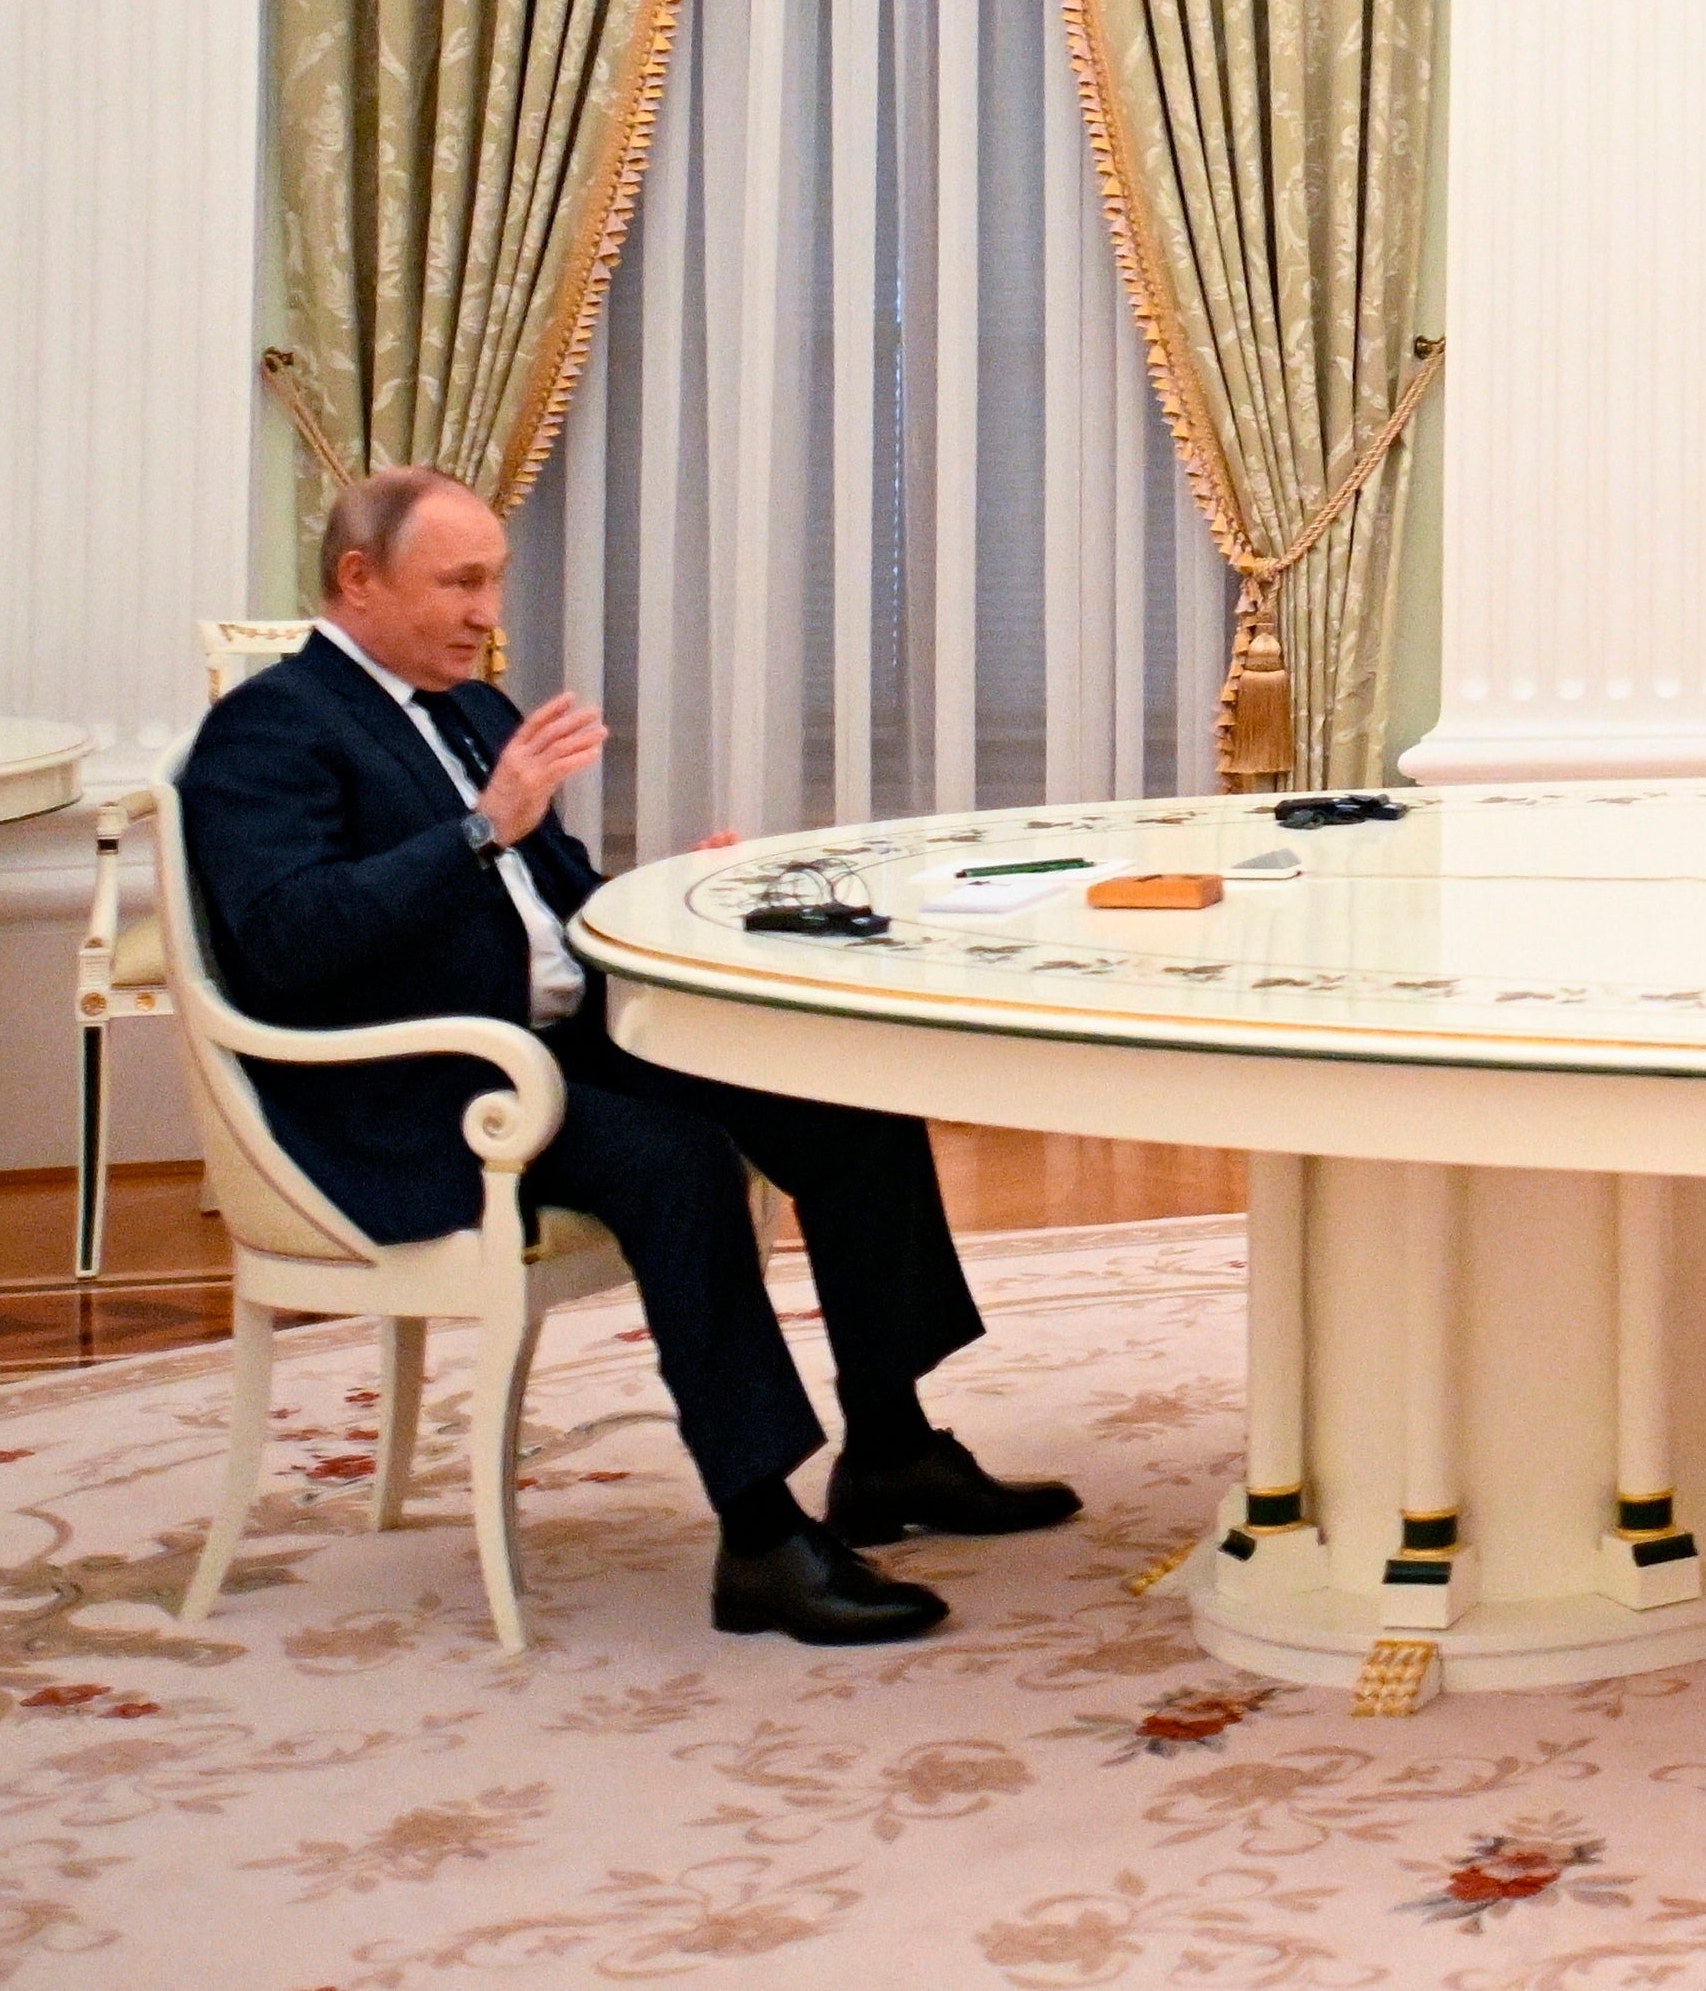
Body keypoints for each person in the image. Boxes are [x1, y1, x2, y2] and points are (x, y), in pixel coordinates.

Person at [174, 464, 1082, 1644]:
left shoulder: (472, 711)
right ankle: (759, 1536)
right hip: (422, 1084)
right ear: (358, 579)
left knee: (845, 1092)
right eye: (460, 582)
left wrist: (678, 893)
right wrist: (477, 827)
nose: (487, 611)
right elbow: (293, 943)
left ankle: (892, 1447)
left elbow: (554, 908)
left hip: (558, 1039)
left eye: (493, 580)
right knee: (679, 1157)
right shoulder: (267, 731)